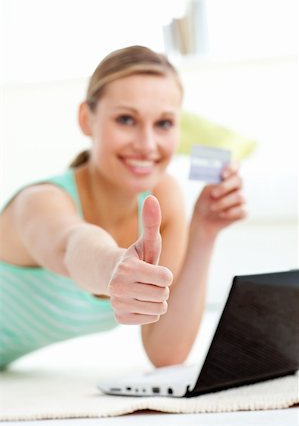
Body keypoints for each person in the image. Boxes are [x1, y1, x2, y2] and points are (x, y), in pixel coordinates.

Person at [0, 45, 246, 370]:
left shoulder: (162, 197)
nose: (147, 145)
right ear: (87, 119)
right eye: (126, 119)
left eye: (164, 123)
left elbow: (166, 353)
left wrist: (203, 232)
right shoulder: (40, 202)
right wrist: (115, 266)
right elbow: (73, 245)